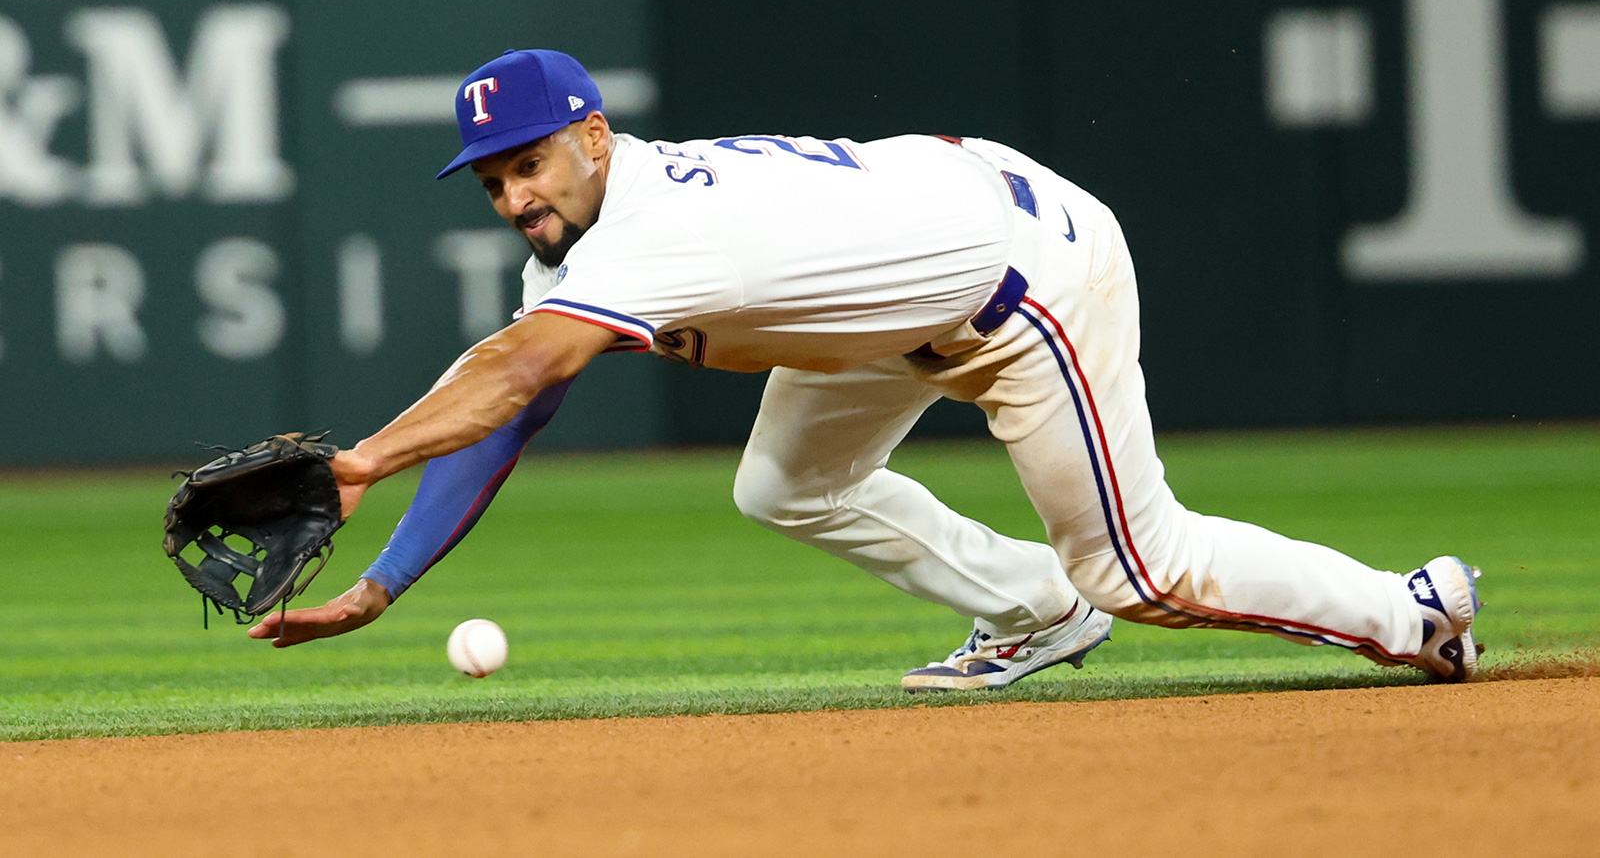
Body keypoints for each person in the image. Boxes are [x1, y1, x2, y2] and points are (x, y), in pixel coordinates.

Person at [247, 49, 1483, 688]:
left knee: (1138, 568)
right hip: (893, 290)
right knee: (783, 484)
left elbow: (517, 374)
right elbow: (509, 414)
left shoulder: (657, 228)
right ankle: (1031, 613)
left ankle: (1414, 614)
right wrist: (387, 583)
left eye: (530, 162)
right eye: (493, 179)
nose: (515, 194)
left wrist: (356, 463)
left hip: (1019, 279)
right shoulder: (583, 253)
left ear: (591, 136)